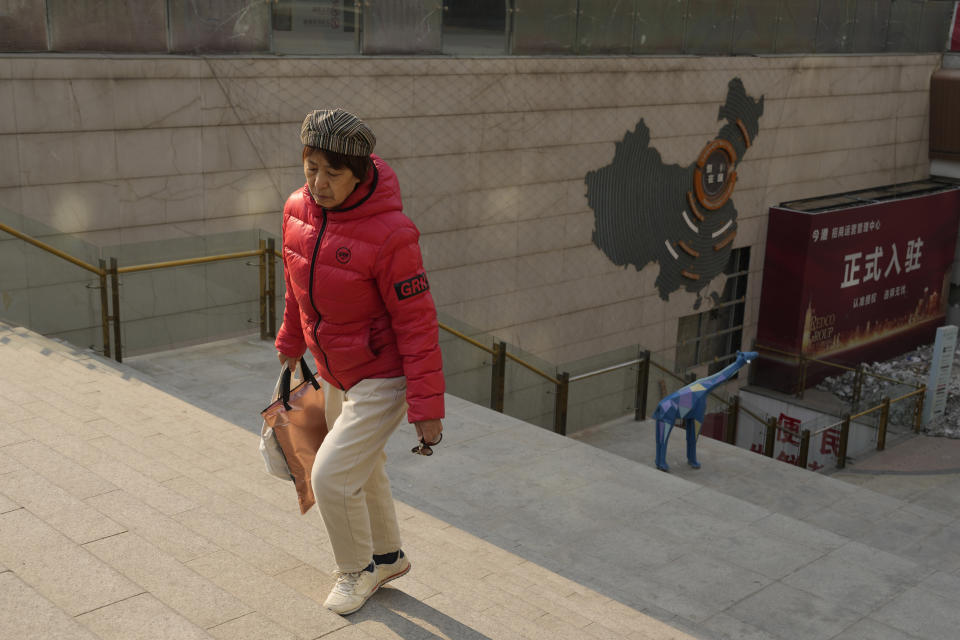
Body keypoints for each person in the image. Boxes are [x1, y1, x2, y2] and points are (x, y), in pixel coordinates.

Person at [274, 108, 444, 616]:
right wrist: (289, 345)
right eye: (311, 170)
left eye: (333, 173)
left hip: (381, 375)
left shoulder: (394, 234)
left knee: (330, 476)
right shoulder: (296, 209)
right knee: (363, 469)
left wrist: (426, 408)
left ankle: (357, 571)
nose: (319, 184)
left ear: (360, 172)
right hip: (332, 370)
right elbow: (295, 284)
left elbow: (418, 323)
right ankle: (387, 557)